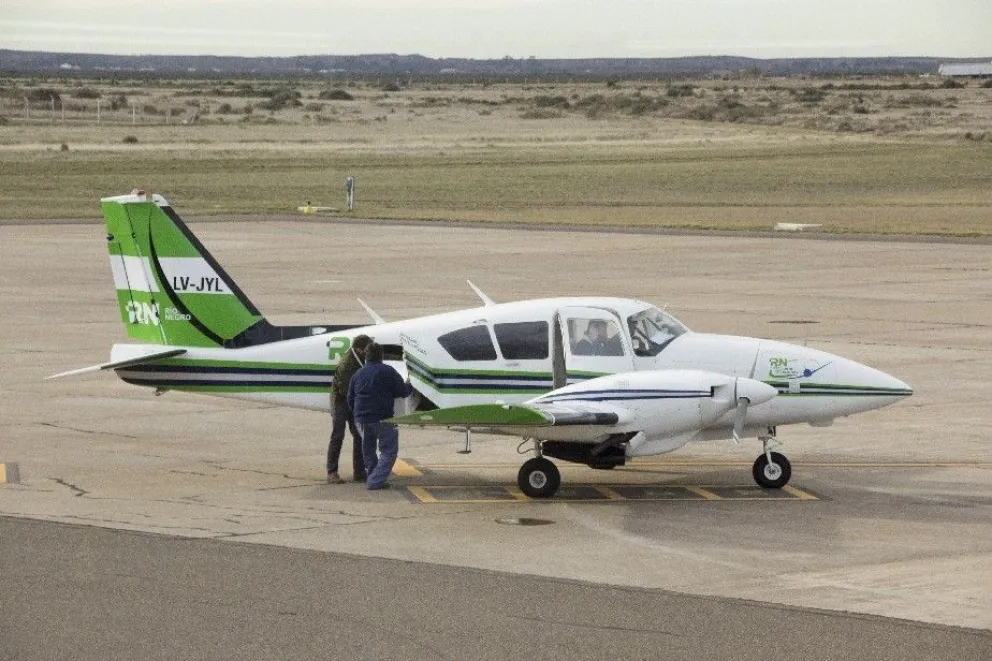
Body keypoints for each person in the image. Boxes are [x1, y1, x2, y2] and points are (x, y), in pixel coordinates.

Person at [347, 342, 413, 490]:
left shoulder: (357, 374)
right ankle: (375, 480)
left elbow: (350, 398)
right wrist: (412, 384)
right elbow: (402, 392)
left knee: (368, 450)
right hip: (383, 418)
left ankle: (373, 475)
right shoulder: (388, 371)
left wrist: (358, 414)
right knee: (389, 451)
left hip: (361, 419)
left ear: (366, 357)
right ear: (381, 356)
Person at [326, 334, 373, 483]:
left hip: (353, 399)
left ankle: (359, 472)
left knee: (359, 435)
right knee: (338, 435)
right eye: (368, 348)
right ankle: (332, 472)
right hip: (340, 400)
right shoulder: (346, 365)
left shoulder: (361, 358)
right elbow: (345, 390)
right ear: (359, 349)